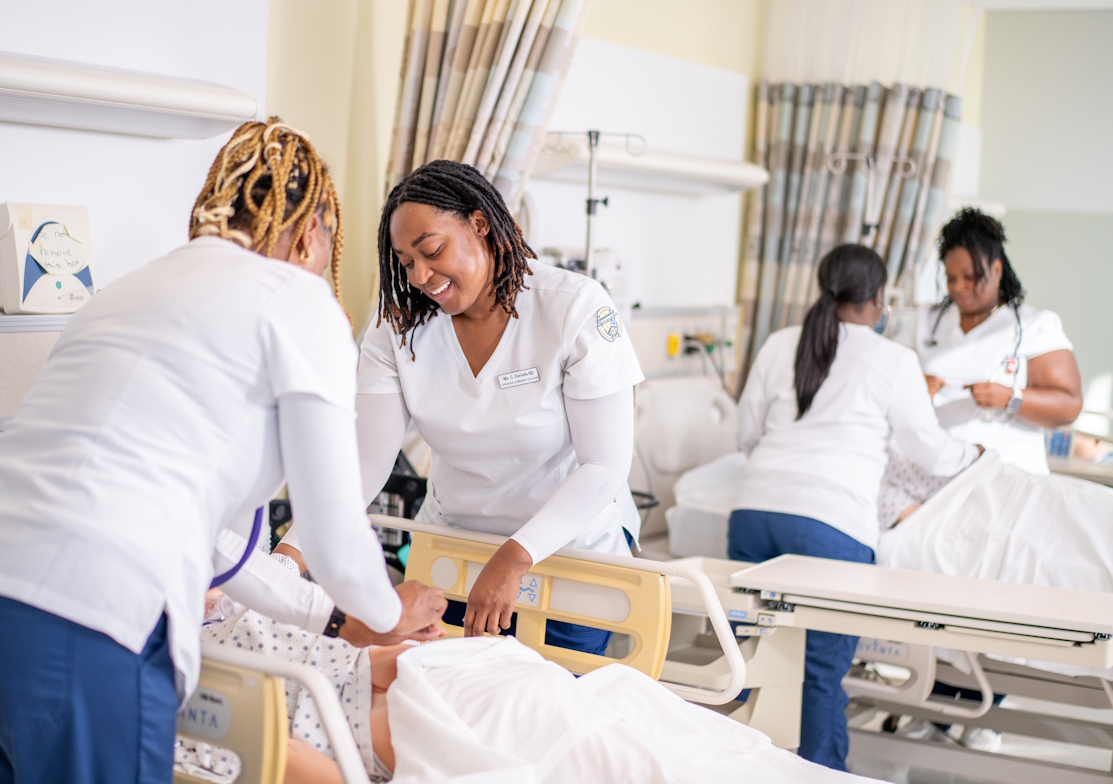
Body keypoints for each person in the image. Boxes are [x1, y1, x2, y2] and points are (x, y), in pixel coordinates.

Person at [0, 119, 445, 784]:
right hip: (74, 614)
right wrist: (389, 617)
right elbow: (335, 538)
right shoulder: (298, 301)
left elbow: (213, 540)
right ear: (313, 233)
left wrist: (335, 619)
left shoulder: (127, 291)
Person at [279, 160, 644, 655]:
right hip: (452, 553)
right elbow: (364, 464)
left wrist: (514, 557)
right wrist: (289, 556)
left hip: (564, 556)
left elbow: (603, 467)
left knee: (549, 713)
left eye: (432, 250)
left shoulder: (572, 307)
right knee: (443, 708)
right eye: (406, 263)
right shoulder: (398, 328)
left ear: (480, 224)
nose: (421, 276)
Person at [179, 563, 875, 784]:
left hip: (454, 673)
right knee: (614, 755)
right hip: (400, 726)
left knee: (647, 726)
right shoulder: (173, 689)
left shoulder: (242, 610)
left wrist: (404, 638)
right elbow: (284, 761)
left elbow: (363, 660)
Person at [729, 244, 980, 771]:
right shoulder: (893, 359)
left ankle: (742, 770)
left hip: (753, 514)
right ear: (879, 297)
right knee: (820, 669)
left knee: (752, 662)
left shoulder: (779, 344)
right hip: (831, 526)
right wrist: (974, 454)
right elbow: (929, 451)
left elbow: (746, 434)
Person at [912, 208, 1082, 474]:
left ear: (996, 269)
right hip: (934, 474)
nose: (958, 287)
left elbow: (1069, 406)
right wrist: (913, 387)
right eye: (950, 278)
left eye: (970, 277)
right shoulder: (926, 320)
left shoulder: (1034, 325)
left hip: (1008, 473)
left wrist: (1011, 398)